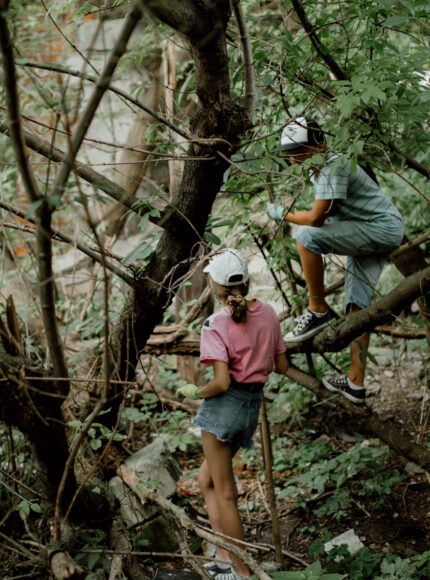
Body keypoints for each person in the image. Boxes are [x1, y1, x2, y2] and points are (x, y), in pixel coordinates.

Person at [267, 117, 404, 404]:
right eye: (291, 154)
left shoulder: (333, 165)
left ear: (320, 145)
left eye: (300, 152)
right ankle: (356, 383)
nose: (295, 160)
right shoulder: (319, 169)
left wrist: (281, 214)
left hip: (380, 228)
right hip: (367, 231)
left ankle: (317, 311)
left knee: (305, 236)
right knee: (358, 307)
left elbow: (317, 219)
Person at [177, 249, 288, 580]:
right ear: (246, 282)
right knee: (205, 478)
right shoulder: (268, 312)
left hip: (224, 409)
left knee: (226, 493)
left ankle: (241, 571)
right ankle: (223, 553)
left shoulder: (215, 323)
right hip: (251, 408)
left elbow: (221, 382)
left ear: (213, 284)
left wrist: (195, 392)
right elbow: (281, 365)